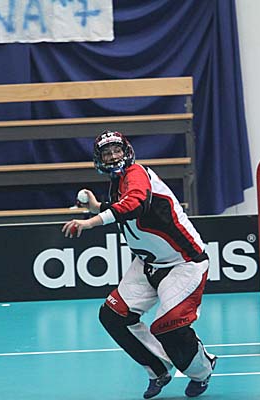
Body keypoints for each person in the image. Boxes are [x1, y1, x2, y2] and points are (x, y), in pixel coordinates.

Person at [62, 130, 216, 399]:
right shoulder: (117, 182)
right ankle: (158, 369)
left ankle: (203, 370)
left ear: (128, 152)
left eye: (117, 151)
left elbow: (135, 204)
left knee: (168, 326)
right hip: (147, 264)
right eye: (107, 153)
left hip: (184, 263)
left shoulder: (136, 173)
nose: (113, 157)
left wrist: (90, 222)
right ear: (99, 160)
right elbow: (120, 207)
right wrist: (97, 206)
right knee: (113, 316)